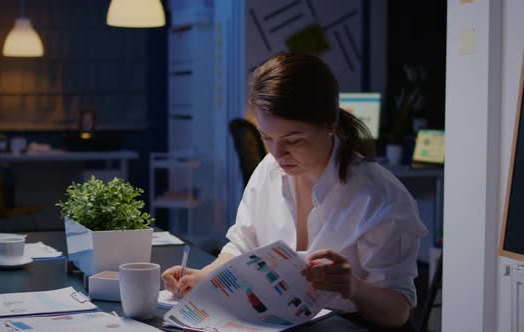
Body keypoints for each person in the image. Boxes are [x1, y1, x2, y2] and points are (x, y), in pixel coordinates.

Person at [161, 53, 427, 329]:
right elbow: (242, 244)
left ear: (330, 124)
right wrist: (204, 277)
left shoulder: (378, 196)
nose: (277, 153)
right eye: (267, 138)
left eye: (294, 140)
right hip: (281, 319)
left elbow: (398, 312)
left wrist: (352, 287)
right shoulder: (269, 170)